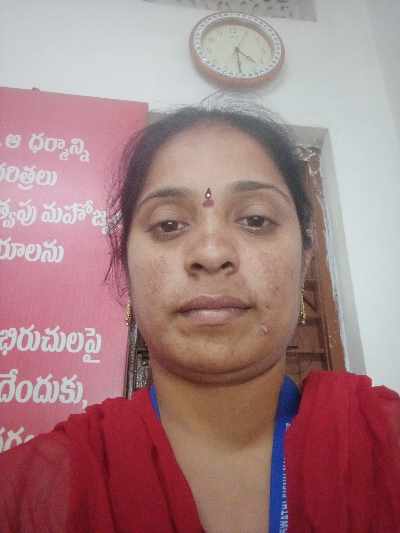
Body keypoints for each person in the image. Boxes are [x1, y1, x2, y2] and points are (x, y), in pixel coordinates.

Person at [1, 103, 399, 533]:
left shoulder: (385, 442)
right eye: (169, 224)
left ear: (305, 262)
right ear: (126, 269)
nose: (211, 254)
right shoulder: (30, 496)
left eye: (255, 219)